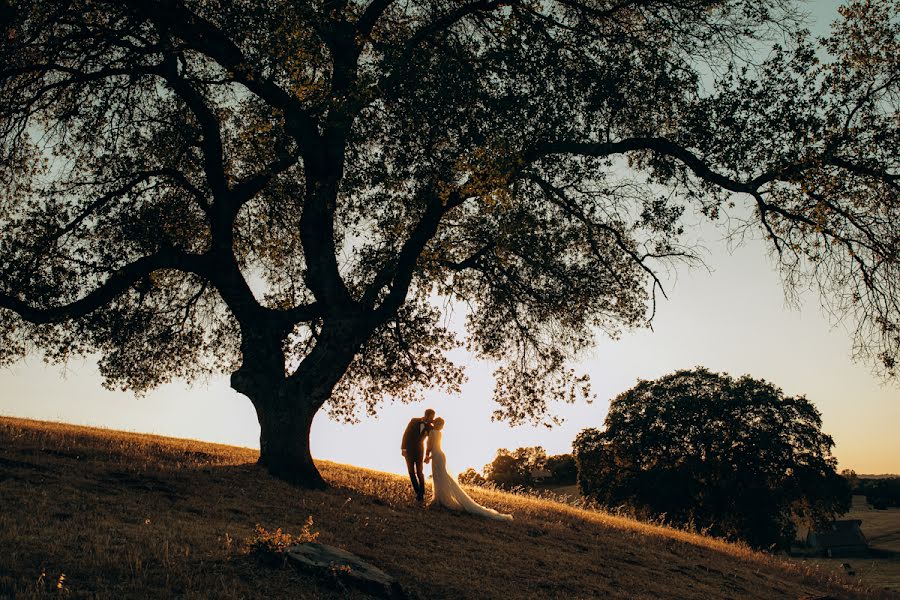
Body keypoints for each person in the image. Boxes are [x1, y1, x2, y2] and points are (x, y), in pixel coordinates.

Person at [425, 417, 513, 521]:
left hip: (436, 456)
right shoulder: (439, 433)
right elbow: (436, 447)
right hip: (440, 455)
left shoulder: (432, 433)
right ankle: (440, 499)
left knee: (439, 477)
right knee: (442, 477)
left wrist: (426, 456)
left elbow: (430, 446)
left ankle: (441, 499)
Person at [401, 409, 435, 502]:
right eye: (431, 417)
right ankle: (418, 493)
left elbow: (433, 439)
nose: (432, 419)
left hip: (420, 451)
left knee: (419, 472)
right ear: (426, 415)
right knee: (411, 472)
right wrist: (403, 449)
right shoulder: (414, 421)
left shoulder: (430, 427)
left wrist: (433, 422)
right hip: (408, 450)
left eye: (433, 418)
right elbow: (406, 434)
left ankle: (421, 493)